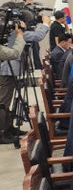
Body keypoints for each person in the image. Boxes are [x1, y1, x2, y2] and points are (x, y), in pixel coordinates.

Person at [0, 15, 50, 144]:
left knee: (7, 101)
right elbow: (38, 36)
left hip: (9, 70)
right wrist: (45, 24)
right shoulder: (18, 33)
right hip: (7, 71)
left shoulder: (9, 32)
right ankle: (2, 132)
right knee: (4, 102)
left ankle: (8, 128)